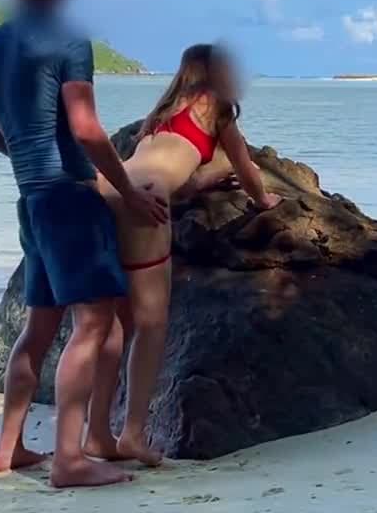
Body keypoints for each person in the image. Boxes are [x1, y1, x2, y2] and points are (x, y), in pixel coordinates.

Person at [0, 0, 169, 487]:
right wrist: (129, 190)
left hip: (31, 200)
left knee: (38, 331)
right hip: (68, 197)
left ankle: (7, 450)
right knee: (94, 324)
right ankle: (69, 458)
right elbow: (86, 129)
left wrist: (35, 154)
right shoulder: (68, 39)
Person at [83, 43, 280, 467]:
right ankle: (133, 433)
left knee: (113, 323)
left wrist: (204, 181)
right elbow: (246, 168)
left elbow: (171, 168)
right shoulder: (218, 111)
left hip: (104, 190)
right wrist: (264, 199)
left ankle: (96, 432)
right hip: (145, 203)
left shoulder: (160, 115)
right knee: (151, 322)